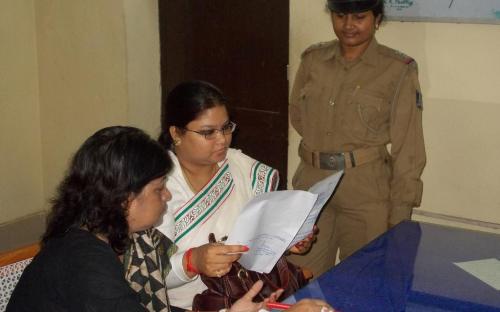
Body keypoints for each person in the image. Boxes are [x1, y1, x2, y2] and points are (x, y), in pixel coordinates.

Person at [7, 126, 321, 312]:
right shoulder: (85, 262)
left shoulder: (125, 238)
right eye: (159, 189)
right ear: (124, 199)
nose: (168, 197)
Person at [125, 80, 314, 310]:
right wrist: (192, 261)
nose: (222, 139)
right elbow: (149, 274)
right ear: (176, 133)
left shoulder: (241, 167)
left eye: (226, 127)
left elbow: (262, 239)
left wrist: (291, 239)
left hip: (254, 295)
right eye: (208, 132)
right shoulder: (158, 188)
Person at [288, 0, 426, 277]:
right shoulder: (313, 60)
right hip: (313, 184)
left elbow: (408, 147)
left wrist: (400, 215)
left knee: (362, 279)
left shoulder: (397, 69)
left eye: (359, 17)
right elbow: (298, 115)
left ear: (377, 19)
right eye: (340, 16)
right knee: (300, 278)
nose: (348, 25)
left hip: (366, 190)